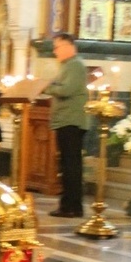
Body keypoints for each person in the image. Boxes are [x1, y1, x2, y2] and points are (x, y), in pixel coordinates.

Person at [45, 32, 88, 217]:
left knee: (71, 166)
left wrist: (46, 86)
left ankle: (72, 206)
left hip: (72, 121)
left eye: (57, 47)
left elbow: (67, 90)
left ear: (69, 46)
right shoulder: (67, 65)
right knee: (67, 165)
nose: (55, 51)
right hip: (65, 120)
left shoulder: (75, 65)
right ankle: (69, 205)